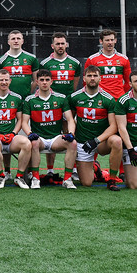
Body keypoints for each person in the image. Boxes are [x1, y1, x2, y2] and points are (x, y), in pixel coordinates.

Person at [68, 65, 124, 190]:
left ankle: (112, 179)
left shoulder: (108, 99)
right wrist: (72, 137)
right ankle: (96, 168)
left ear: (100, 79)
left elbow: (113, 126)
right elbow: (70, 120)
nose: (92, 78)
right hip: (83, 143)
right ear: (84, 79)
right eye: (89, 76)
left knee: (117, 141)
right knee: (87, 183)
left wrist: (96, 140)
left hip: (101, 142)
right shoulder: (75, 97)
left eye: (95, 76)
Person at [20, 69, 78, 190]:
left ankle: (67, 179)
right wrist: (30, 133)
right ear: (37, 82)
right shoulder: (30, 100)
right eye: (41, 80)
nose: (44, 82)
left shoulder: (61, 98)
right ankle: (36, 178)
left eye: (47, 80)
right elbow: (24, 122)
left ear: (52, 81)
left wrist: (71, 133)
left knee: (73, 143)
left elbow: (70, 119)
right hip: (39, 137)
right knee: (34, 143)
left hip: (55, 137)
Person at [38, 32, 81, 180]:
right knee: (52, 133)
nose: (60, 46)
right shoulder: (45, 63)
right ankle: (50, 169)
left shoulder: (75, 63)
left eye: (63, 43)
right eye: (57, 43)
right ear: (52, 46)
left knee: (69, 133)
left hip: (68, 103)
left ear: (66, 45)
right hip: (51, 104)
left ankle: (73, 169)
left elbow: (74, 85)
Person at [0, 70, 31, 189]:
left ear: (10, 81)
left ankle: (19, 177)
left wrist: (13, 133)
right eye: (1, 80)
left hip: (10, 136)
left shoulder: (17, 98)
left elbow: (20, 119)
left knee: (27, 144)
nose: (4, 82)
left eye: (6, 80)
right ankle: (1, 176)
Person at [83, 29, 131, 99]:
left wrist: (122, 95)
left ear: (115, 40)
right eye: (107, 40)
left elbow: (128, 81)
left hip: (118, 99)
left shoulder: (124, 59)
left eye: (112, 40)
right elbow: (86, 81)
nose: (110, 42)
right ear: (101, 41)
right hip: (100, 99)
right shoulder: (92, 59)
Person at [0, 29, 38, 99]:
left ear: (22, 41)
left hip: (26, 99)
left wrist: (28, 94)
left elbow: (36, 80)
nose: (16, 41)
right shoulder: (0, 60)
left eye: (18, 38)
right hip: (8, 100)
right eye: (13, 39)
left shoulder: (32, 58)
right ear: (8, 42)